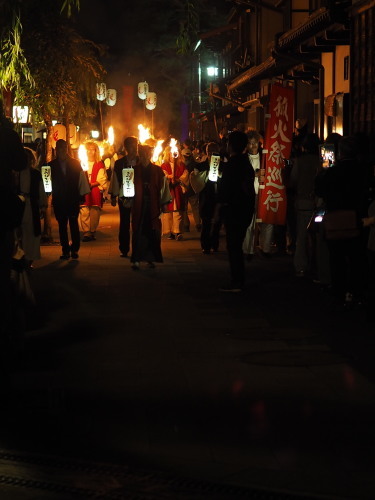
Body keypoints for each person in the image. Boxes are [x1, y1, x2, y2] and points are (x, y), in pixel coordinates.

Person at [315, 136, 369, 307]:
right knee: (356, 258)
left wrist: (321, 173)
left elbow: (320, 191)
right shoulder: (363, 170)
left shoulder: (332, 172)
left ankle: (339, 291)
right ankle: (355, 292)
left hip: (336, 219)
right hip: (358, 218)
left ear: (339, 153)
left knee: (337, 258)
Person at [217, 130, 255, 292]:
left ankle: (237, 281)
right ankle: (238, 279)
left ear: (230, 145)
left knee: (234, 247)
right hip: (245, 209)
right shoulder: (246, 163)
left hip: (234, 210)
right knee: (236, 245)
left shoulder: (232, 165)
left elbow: (225, 190)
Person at [130, 145, 172, 270]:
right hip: (138, 204)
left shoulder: (157, 170)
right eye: (142, 154)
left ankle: (150, 258)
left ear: (150, 155)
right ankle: (136, 259)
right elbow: (127, 187)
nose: (144, 156)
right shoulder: (134, 170)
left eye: (147, 154)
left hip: (153, 205)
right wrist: (126, 199)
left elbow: (164, 188)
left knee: (152, 231)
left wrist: (164, 204)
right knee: (138, 230)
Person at [49, 139, 90, 260]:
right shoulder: (51, 165)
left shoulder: (75, 163)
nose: (62, 150)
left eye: (64, 147)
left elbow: (81, 181)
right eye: (60, 148)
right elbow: (47, 182)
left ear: (67, 149)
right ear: (56, 149)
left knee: (73, 224)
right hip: (60, 199)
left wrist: (81, 196)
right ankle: (65, 249)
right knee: (62, 225)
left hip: (72, 198)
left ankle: (75, 249)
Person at [289, 133, 321, 278]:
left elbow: (293, 180)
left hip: (302, 201)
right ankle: (318, 266)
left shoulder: (300, 161)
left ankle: (301, 266)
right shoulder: (321, 161)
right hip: (318, 202)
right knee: (318, 237)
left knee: (301, 235)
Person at [190, 142, 223, 254]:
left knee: (217, 222)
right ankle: (206, 245)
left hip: (219, 197)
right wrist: (206, 174)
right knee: (206, 222)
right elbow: (195, 180)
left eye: (214, 150)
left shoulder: (223, 165)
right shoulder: (200, 165)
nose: (211, 153)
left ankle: (215, 244)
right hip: (206, 197)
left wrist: (220, 175)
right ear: (206, 152)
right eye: (209, 150)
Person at [109, 136, 139, 257]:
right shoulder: (119, 163)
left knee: (137, 223)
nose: (134, 148)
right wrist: (113, 196)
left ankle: (138, 248)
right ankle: (124, 248)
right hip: (124, 197)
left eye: (135, 145)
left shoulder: (141, 161)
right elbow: (114, 180)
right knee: (124, 223)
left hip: (138, 197)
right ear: (126, 148)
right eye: (132, 146)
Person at [19, 147, 48, 268]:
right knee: (21, 233)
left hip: (32, 206)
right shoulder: (16, 173)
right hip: (19, 206)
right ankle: (21, 258)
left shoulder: (36, 174)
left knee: (32, 234)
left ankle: (29, 258)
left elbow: (41, 191)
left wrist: (42, 206)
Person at [80, 141, 108, 242]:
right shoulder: (82, 163)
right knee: (84, 210)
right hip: (84, 190)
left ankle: (92, 231)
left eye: (93, 149)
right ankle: (86, 231)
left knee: (94, 211)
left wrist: (92, 184)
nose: (90, 152)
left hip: (95, 190)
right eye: (88, 149)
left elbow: (102, 178)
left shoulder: (99, 164)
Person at [161, 144, 189, 240]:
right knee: (168, 213)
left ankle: (177, 231)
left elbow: (185, 175)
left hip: (177, 190)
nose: (172, 156)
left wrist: (178, 180)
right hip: (169, 191)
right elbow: (162, 175)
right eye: (170, 154)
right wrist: (168, 177)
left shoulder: (181, 165)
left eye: (174, 154)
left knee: (177, 212)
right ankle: (170, 232)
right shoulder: (164, 165)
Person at [243, 130, 262, 261]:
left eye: (255, 143)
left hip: (262, 193)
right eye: (250, 143)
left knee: (262, 223)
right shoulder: (244, 159)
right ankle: (248, 250)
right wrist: (254, 175)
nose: (253, 146)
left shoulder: (265, 157)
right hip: (248, 194)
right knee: (248, 223)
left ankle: (263, 247)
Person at [181, 147, 201, 232]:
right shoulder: (195, 164)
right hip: (192, 189)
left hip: (185, 189)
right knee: (195, 207)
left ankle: (186, 225)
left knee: (185, 208)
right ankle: (198, 224)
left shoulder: (181, 165)